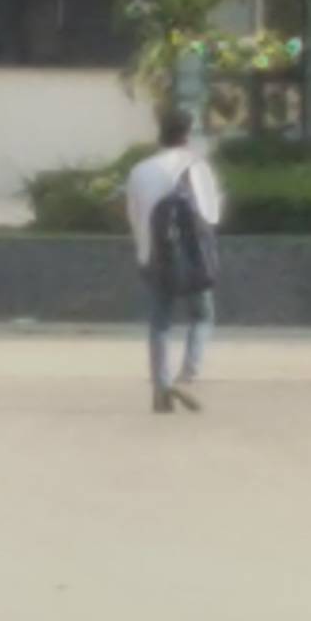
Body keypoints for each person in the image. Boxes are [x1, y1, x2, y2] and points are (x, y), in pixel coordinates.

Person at [122, 105, 223, 416]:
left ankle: (161, 388)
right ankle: (187, 376)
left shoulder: (140, 171)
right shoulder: (197, 167)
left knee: (160, 322)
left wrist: (146, 248)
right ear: (187, 135)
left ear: (160, 134)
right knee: (202, 316)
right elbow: (211, 215)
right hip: (193, 257)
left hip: (153, 255)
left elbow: (134, 216)